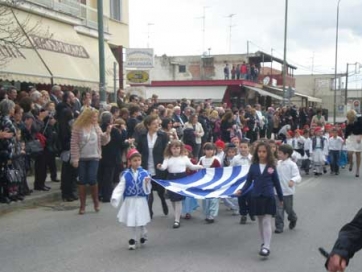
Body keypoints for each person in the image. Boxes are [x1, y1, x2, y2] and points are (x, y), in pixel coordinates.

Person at [235, 141, 283, 257]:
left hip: (268, 196)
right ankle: (263, 242)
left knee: (267, 220)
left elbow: (276, 183)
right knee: (260, 221)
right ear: (256, 153)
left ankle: (267, 246)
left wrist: (281, 197)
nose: (261, 154)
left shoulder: (271, 167)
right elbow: (248, 181)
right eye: (259, 151)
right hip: (256, 196)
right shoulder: (254, 166)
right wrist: (241, 190)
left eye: (264, 152)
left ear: (268, 153)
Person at [70, 108, 111, 214]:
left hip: (94, 156)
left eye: (96, 117)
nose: (95, 119)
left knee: (92, 178)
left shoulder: (95, 126)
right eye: (93, 117)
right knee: (82, 180)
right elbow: (74, 144)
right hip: (82, 157)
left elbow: (103, 142)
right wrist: (75, 158)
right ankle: (82, 205)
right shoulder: (77, 127)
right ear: (87, 116)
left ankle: (96, 202)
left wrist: (107, 133)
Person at [111, 149, 152, 250]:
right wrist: (115, 197)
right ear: (130, 162)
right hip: (130, 201)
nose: (137, 162)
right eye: (135, 160)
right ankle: (132, 239)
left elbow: (148, 189)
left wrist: (146, 183)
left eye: (139, 160)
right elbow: (121, 187)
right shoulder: (126, 174)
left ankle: (143, 232)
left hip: (141, 200)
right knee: (132, 219)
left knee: (141, 219)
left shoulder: (145, 173)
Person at [157, 140, 203, 228]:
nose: (175, 150)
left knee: (178, 200)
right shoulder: (167, 158)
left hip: (182, 179)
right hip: (171, 179)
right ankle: (177, 215)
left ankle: (176, 220)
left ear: (180, 148)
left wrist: (200, 167)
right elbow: (164, 167)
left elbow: (192, 167)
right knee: (173, 200)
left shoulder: (184, 158)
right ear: (170, 149)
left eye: (177, 148)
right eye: (173, 148)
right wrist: (160, 167)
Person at [136, 115, 169, 218]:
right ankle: (149, 211)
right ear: (148, 125)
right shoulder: (142, 136)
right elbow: (139, 151)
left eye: (157, 123)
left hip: (159, 167)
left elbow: (167, 152)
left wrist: (165, 164)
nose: (157, 125)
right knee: (148, 191)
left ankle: (163, 201)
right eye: (154, 123)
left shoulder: (163, 136)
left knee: (160, 191)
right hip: (146, 167)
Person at [274, 144, 301, 234]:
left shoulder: (292, 165)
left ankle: (293, 218)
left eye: (280, 153)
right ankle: (279, 226)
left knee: (288, 209)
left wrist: (293, 180)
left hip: (287, 192)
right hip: (277, 191)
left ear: (286, 154)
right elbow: (272, 172)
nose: (278, 154)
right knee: (279, 210)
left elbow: (297, 176)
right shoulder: (277, 163)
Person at [199, 143, 221, 223]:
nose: (209, 151)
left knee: (213, 199)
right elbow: (199, 169)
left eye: (211, 150)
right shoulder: (202, 159)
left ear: (214, 151)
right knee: (205, 199)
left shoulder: (216, 159)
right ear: (204, 151)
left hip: (214, 182)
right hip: (205, 182)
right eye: (207, 149)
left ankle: (212, 215)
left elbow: (219, 171)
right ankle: (207, 214)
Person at [236, 139, 253, 224]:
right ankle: (243, 215)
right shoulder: (236, 159)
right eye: (241, 147)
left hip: (251, 182)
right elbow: (231, 170)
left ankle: (251, 211)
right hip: (240, 183)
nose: (243, 149)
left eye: (245, 147)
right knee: (241, 199)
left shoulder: (252, 158)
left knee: (251, 198)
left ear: (249, 148)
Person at [182, 144, 199, 219]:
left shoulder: (192, 161)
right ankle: (183, 211)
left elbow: (195, 171)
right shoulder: (180, 160)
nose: (185, 153)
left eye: (186, 152)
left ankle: (188, 212)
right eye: (183, 152)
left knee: (189, 197)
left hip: (190, 181)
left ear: (189, 152)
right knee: (183, 197)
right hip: (182, 181)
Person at [345, 110, 362, 177]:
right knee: (349, 152)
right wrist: (345, 138)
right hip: (350, 138)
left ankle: (357, 170)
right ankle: (351, 162)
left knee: (358, 154)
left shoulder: (360, 120)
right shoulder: (348, 121)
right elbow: (346, 131)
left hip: (358, 137)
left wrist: (360, 138)